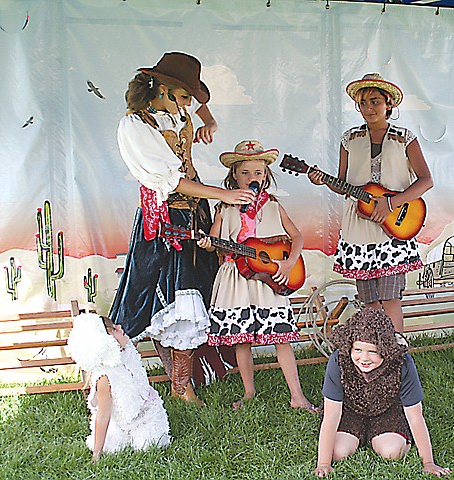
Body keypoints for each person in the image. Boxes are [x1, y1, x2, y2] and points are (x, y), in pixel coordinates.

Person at [109, 52, 255, 406]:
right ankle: (115, 376)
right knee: (158, 296)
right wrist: (225, 194)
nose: (189, 103)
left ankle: (182, 383)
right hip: (162, 219)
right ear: (162, 89)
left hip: (194, 214)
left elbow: (203, 111)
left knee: (193, 294)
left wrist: (210, 122)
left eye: (190, 97)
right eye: (185, 95)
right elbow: (171, 182)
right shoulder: (136, 126)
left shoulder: (180, 112)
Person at [308, 73, 433, 332]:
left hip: (393, 227)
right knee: (370, 300)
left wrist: (391, 203)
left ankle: (396, 352)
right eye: (363, 103)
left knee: (390, 297)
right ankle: (376, 348)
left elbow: (426, 180)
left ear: (389, 103)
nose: (368, 108)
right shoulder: (349, 139)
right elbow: (342, 184)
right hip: (360, 230)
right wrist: (322, 180)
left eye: (375, 101)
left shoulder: (404, 138)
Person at [202, 139, 316, 412]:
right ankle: (249, 391)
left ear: (266, 176)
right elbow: (216, 239)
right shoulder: (225, 206)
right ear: (234, 176)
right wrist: (208, 242)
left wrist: (288, 264)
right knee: (242, 338)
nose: (251, 178)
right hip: (235, 278)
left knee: (281, 337)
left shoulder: (274, 205)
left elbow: (296, 236)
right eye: (244, 173)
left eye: (258, 173)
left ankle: (297, 396)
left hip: (269, 277)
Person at [314, 308, 450, 478]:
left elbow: (415, 415)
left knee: (392, 452)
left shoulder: (402, 363)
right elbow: (332, 415)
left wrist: (428, 463)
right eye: (357, 350)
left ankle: (384, 436)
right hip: (350, 412)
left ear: (385, 349)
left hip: (387, 412)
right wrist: (324, 463)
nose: (364, 358)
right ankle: (357, 437)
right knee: (338, 452)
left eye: (373, 352)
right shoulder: (339, 360)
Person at [67, 313, 171, 462]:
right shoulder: (104, 378)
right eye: (114, 330)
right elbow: (103, 415)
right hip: (120, 421)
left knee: (148, 446)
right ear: (106, 343)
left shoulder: (126, 351)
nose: (120, 328)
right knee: (114, 448)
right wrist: (97, 454)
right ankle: (110, 441)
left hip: (145, 414)